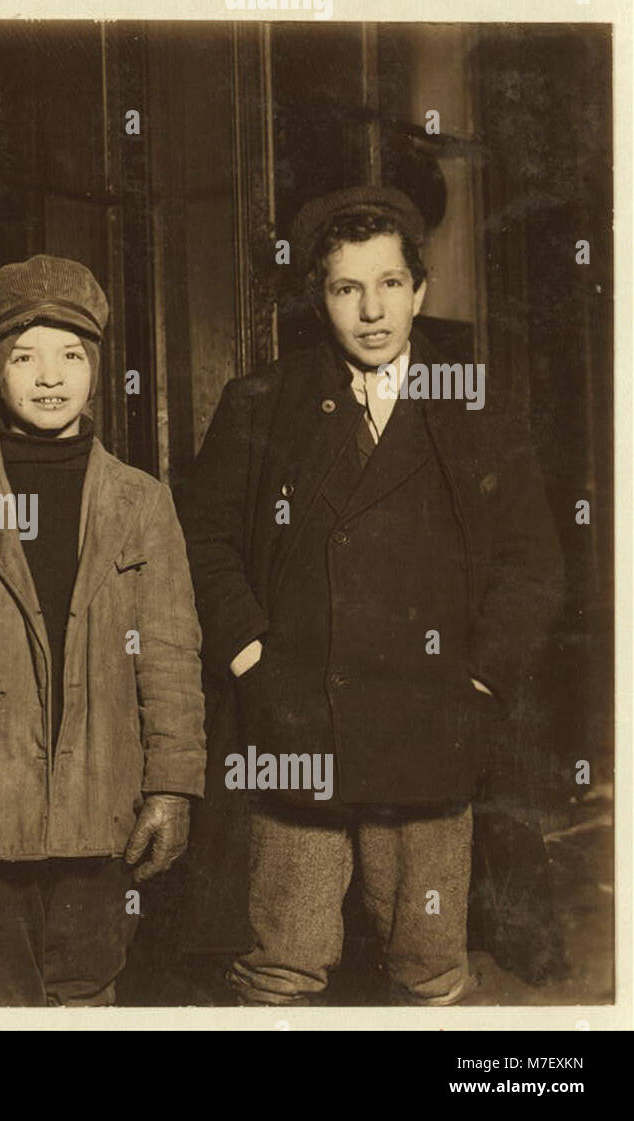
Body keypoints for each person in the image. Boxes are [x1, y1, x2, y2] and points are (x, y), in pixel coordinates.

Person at [179, 185, 564, 1005]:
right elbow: (203, 541)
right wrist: (251, 653)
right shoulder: (260, 402)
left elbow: (533, 562)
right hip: (298, 725)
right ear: (319, 298)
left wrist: (482, 678)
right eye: (346, 288)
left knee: (428, 966)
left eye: (390, 283)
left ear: (420, 290)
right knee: (280, 966)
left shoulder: (480, 405)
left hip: (431, 730)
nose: (372, 310)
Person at [0, 253, 206, 1006]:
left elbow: (169, 660)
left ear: (95, 371)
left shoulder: (142, 502)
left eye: (71, 356)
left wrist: (173, 786)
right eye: (25, 356)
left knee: (87, 990)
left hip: (104, 814)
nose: (50, 376)